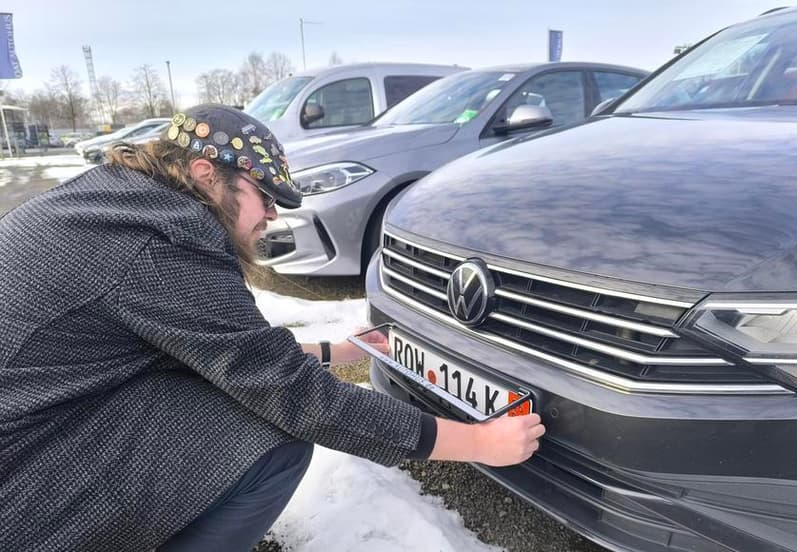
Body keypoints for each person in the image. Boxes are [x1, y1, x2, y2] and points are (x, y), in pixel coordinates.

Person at [0, 104, 545, 551]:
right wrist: (476, 441)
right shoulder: (163, 238)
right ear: (205, 175)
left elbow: (214, 346)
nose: (273, 216)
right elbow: (291, 395)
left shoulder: (116, 198)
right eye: (265, 196)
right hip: (22, 482)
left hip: (35, 413)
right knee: (271, 442)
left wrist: (331, 351)